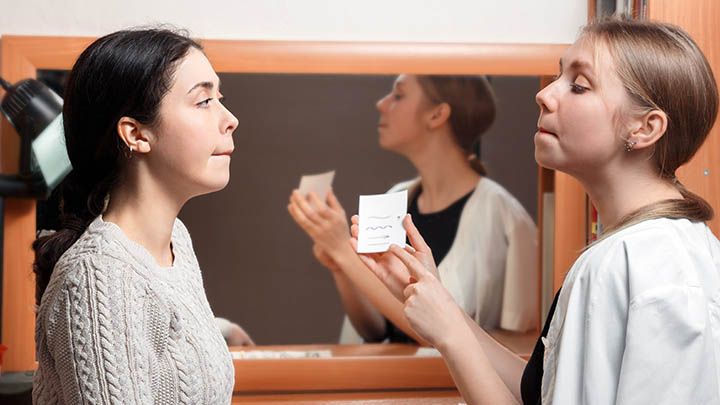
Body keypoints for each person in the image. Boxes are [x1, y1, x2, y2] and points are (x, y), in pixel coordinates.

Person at [353, 18, 720, 404]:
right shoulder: (631, 253)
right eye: (559, 76)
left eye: (579, 86)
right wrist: (442, 309)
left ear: (644, 129)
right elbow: (541, 392)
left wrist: (449, 334)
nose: (544, 95)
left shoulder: (652, 268)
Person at [31, 28, 241, 404]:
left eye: (219, 97)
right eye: (204, 101)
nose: (230, 119)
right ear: (135, 133)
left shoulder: (176, 241)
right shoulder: (98, 276)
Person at [288, 74, 538, 344]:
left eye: (398, 95)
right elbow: (377, 330)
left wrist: (341, 248)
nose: (381, 104)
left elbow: (515, 346)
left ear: (437, 114)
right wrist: (341, 265)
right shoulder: (394, 198)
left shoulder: (504, 216)